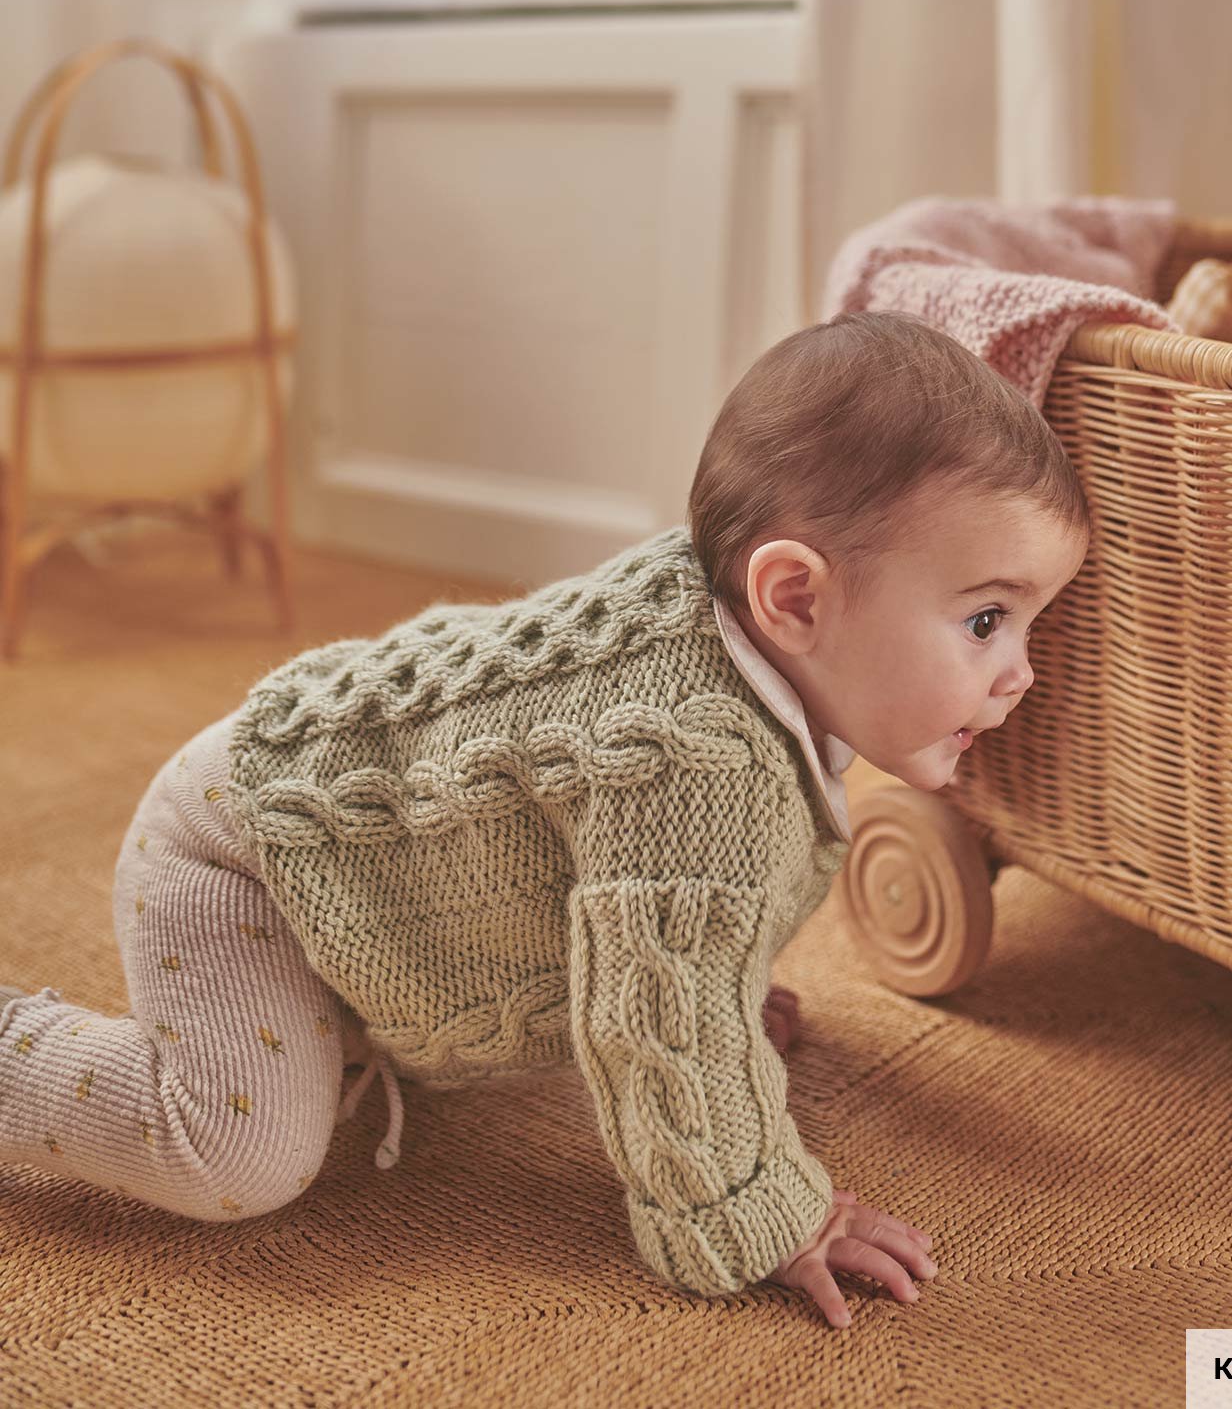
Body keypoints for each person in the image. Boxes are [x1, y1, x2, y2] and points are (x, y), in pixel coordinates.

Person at [0, 310, 1090, 1330]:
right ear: (794, 599)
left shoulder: (751, 650)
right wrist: (766, 1206)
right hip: (242, 856)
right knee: (242, 1153)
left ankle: (342, 1018)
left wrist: (729, 972)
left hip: (353, 854)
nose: (1020, 677)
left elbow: (617, 870)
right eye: (985, 621)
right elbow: (655, 1014)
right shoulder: (693, 762)